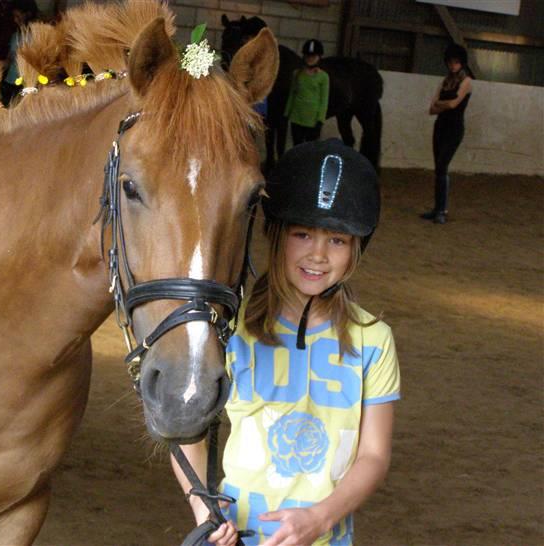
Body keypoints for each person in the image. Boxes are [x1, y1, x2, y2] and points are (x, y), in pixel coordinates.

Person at [172, 139, 401, 546]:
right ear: (276, 235)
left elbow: (374, 456)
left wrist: (319, 517)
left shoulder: (373, 340)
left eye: (337, 240)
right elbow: (184, 428)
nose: (318, 254)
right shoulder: (229, 327)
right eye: (302, 234)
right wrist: (204, 507)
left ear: (355, 250)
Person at [422, 42, 473, 224]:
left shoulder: (466, 82)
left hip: (454, 128)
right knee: (439, 168)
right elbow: (431, 109)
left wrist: (441, 105)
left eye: (456, 62)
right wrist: (443, 105)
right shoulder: (445, 82)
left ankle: (442, 209)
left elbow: (452, 104)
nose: (453, 66)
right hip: (440, 127)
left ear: (462, 63)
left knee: (442, 166)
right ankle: (437, 208)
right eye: (451, 62)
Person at [284, 39, 329, 146]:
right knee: (297, 144)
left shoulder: (323, 77)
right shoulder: (297, 74)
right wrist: (286, 113)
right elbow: (292, 94)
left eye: (313, 56)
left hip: (312, 118)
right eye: (308, 56)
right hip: (297, 116)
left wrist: (320, 119)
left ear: (319, 57)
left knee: (310, 147)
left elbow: (324, 100)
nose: (310, 59)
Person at [0, 0, 39, 103]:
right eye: (14, 17)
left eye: (18, 16)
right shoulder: (15, 36)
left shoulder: (39, 36)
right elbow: (9, 60)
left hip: (29, 85)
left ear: (28, 14)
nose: (15, 20)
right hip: (11, 84)